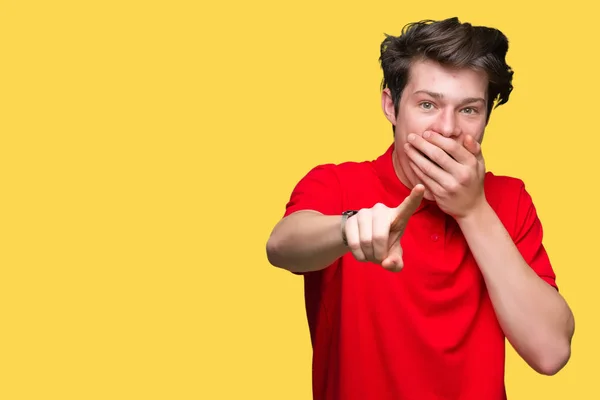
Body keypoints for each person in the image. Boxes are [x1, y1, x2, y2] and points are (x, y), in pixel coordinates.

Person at [265, 17, 575, 400]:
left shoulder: (510, 200)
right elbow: (281, 247)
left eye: (469, 110)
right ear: (391, 106)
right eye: (428, 104)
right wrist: (349, 228)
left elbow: (552, 352)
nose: (446, 129)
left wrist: (473, 210)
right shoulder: (337, 184)